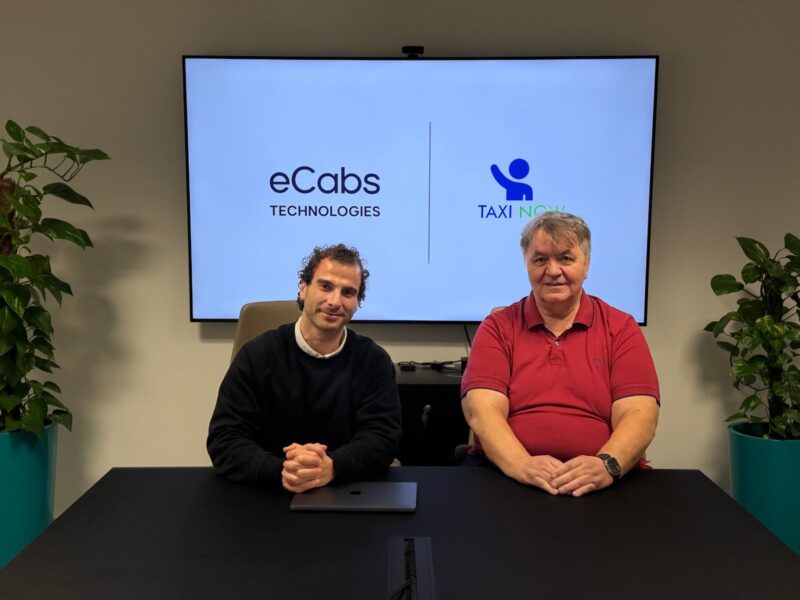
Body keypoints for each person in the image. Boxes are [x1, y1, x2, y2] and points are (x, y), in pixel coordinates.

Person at [461, 211, 659, 497]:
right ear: (526, 263)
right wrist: (521, 464)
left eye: (565, 258)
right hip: (507, 476)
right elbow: (483, 411)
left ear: (586, 264)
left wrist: (605, 465)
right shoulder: (497, 327)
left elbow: (639, 414)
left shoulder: (621, 328)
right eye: (540, 259)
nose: (553, 270)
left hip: (602, 481)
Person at [207, 244, 402, 493]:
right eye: (326, 286)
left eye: (348, 292)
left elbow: (383, 438)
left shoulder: (373, 360)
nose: (334, 301)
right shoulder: (257, 355)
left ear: (357, 302)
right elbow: (225, 438)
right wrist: (283, 471)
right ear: (303, 288)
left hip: (346, 491)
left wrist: (332, 467)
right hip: (267, 492)